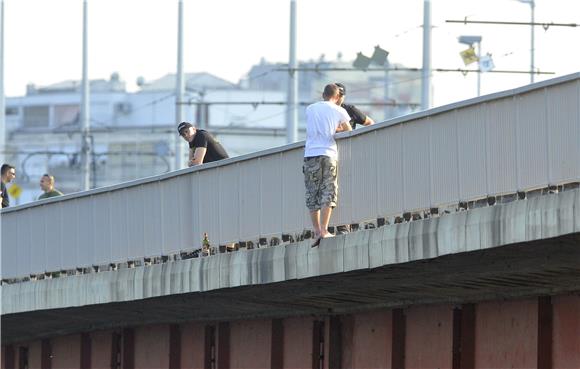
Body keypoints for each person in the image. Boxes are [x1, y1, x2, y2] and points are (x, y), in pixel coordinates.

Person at [304, 84, 352, 247]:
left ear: (322, 94)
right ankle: (324, 230)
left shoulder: (310, 109)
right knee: (328, 190)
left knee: (312, 192)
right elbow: (348, 130)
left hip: (310, 154)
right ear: (338, 96)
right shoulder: (339, 110)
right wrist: (336, 129)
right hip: (328, 153)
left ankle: (316, 231)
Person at [335, 83, 375, 235]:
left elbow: (370, 123)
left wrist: (360, 141)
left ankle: (349, 224)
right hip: (330, 153)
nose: (339, 98)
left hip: (349, 153)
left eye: (341, 95)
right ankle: (341, 225)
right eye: (337, 95)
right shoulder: (326, 109)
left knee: (348, 187)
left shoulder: (349, 109)